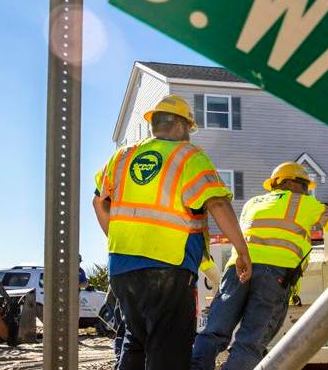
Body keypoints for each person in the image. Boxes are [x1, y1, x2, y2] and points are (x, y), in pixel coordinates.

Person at [92, 94, 252, 370]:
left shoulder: (122, 157)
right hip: (168, 268)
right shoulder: (189, 157)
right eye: (189, 129)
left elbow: (98, 202)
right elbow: (217, 203)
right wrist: (242, 250)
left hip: (121, 267)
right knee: (168, 351)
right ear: (181, 126)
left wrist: (119, 240)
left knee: (136, 342)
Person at [191, 162, 328, 370]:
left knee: (213, 331)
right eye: (304, 185)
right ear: (291, 183)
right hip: (273, 274)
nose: (306, 191)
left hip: (237, 269)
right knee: (250, 342)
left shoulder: (252, 203)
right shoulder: (303, 203)